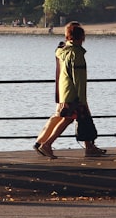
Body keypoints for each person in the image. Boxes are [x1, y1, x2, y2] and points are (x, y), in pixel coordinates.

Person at [33, 21, 106, 159]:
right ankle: (47, 144)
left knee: (81, 118)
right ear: (82, 38)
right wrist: (82, 99)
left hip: (65, 91)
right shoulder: (77, 54)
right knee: (68, 119)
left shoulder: (64, 52)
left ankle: (89, 147)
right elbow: (78, 78)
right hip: (73, 93)